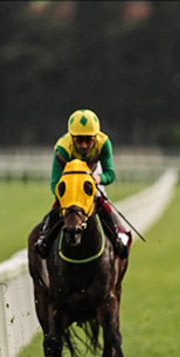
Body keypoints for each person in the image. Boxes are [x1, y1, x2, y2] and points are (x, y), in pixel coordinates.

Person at [33, 108, 129, 258]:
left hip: (92, 176)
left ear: (95, 137)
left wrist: (99, 179)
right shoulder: (63, 148)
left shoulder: (104, 143)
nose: (84, 145)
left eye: (88, 140)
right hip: (69, 182)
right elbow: (55, 183)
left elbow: (110, 174)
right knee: (58, 206)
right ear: (72, 138)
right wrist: (65, 196)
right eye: (79, 140)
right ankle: (44, 238)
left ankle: (117, 238)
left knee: (101, 202)